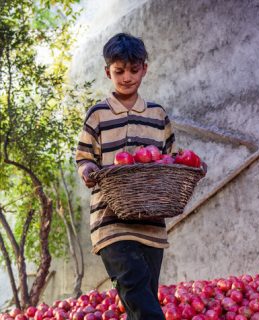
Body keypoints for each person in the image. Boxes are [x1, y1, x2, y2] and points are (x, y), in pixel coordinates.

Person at [75, 33, 175, 320]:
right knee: (138, 293)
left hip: (151, 225)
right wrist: (87, 170)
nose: (127, 77)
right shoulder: (98, 114)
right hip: (110, 222)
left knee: (141, 300)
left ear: (145, 68)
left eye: (134, 70)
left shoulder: (158, 115)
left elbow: (171, 159)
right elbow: (83, 156)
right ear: (108, 72)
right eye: (119, 71)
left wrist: (193, 167)